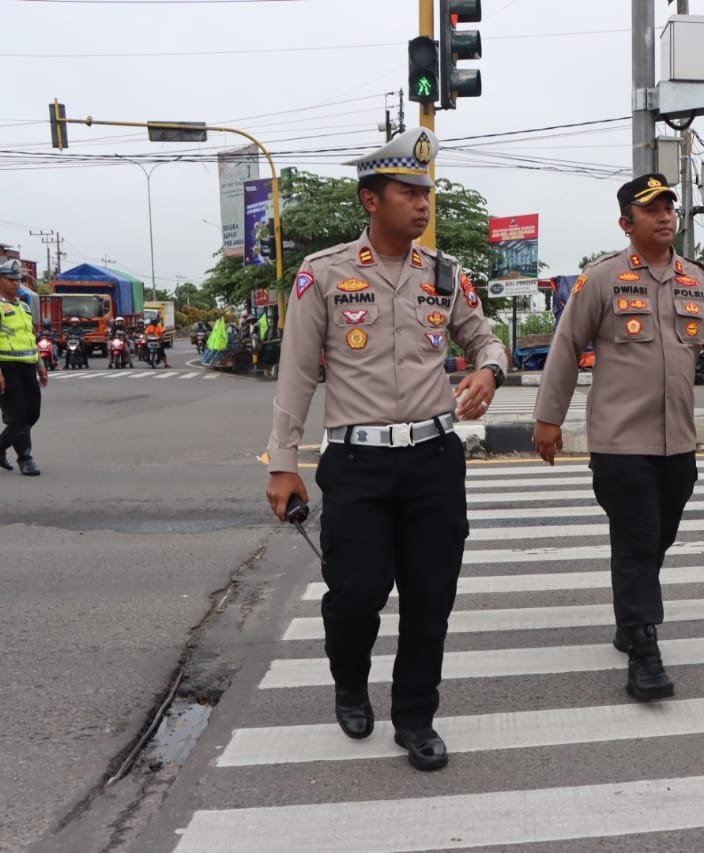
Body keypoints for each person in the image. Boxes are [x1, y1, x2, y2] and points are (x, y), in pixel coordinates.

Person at [264, 129, 507, 772]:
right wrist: (283, 464)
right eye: (408, 192)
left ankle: (416, 717)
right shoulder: (324, 274)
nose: (423, 204)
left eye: (427, 193)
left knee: (431, 597)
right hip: (356, 465)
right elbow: (296, 375)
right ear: (372, 201)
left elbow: (486, 341)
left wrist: (488, 371)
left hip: (433, 460)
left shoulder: (446, 275)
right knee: (355, 594)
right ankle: (349, 680)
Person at [532, 173, 704, 702]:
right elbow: (566, 347)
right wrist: (548, 419)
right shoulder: (603, 279)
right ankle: (644, 652)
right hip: (619, 442)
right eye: (652, 209)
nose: (665, 216)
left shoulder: (697, 281)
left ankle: (628, 616)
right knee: (637, 540)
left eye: (669, 208)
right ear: (626, 223)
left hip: (677, 443)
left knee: (658, 536)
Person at [0, 260, 47, 476]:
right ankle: (25, 458)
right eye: (10, 280)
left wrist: (40, 364)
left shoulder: (24, 307)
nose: (15, 283)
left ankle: (0, 446)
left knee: (32, 414)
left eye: (18, 280)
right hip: (6, 367)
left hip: (27, 366)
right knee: (17, 416)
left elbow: (30, 338)